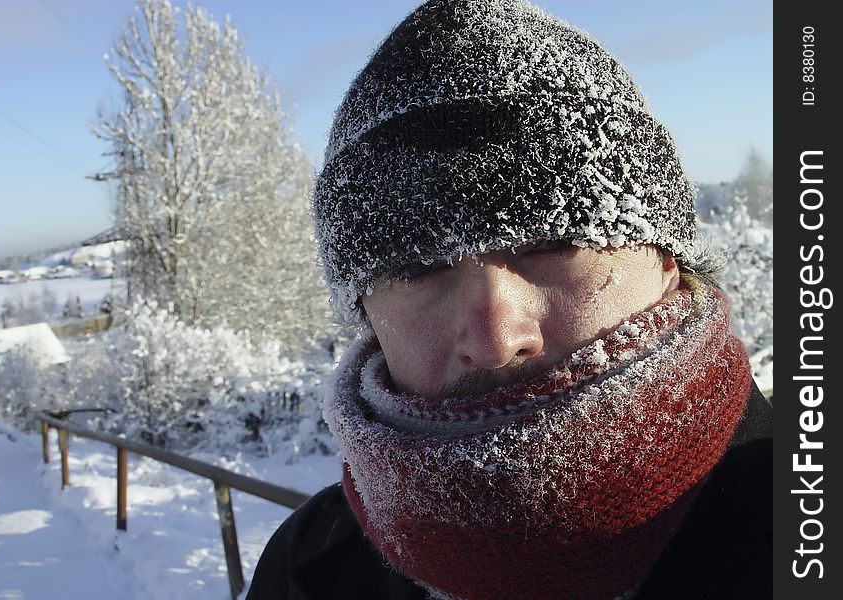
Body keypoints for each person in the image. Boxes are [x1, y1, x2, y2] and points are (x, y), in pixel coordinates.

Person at [247, 1, 772, 598]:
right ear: (366, 314)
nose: (497, 338)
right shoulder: (302, 568)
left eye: (553, 243)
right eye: (417, 268)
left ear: (667, 260)